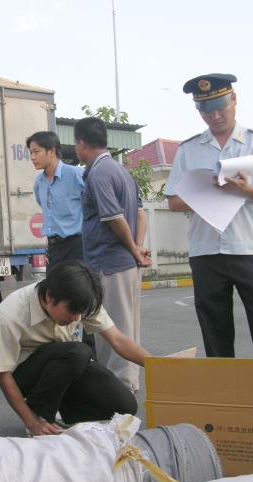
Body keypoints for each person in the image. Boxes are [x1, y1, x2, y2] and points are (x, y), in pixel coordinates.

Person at [165, 73, 253, 359]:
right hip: (206, 251)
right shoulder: (189, 149)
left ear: (234, 99)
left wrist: (245, 189)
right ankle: (224, 394)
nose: (216, 115)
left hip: (250, 248)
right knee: (215, 333)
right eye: (206, 110)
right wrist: (204, 192)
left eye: (221, 106)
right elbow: (173, 201)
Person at [0, 260, 150, 436]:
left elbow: (118, 340)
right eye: (71, 311)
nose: (76, 318)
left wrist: (160, 366)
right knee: (78, 351)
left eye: (80, 312)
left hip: (67, 368)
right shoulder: (8, 316)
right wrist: (32, 422)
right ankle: (40, 415)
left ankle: (64, 416)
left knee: (125, 405)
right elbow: (2, 375)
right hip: (27, 379)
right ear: (49, 297)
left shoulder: (80, 301)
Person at [74, 117, 152, 392]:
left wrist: (133, 248)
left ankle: (121, 391)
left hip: (110, 264)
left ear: (81, 144)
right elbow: (140, 214)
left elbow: (113, 217)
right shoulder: (121, 171)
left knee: (112, 333)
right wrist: (138, 247)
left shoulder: (99, 173)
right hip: (125, 264)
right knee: (127, 328)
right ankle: (128, 387)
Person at [28, 131, 84, 272]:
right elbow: (46, 208)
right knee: (54, 291)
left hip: (77, 247)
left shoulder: (76, 175)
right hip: (54, 248)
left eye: (36, 152)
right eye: (30, 153)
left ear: (52, 151)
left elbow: (96, 206)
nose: (32, 157)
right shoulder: (39, 183)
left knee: (78, 291)